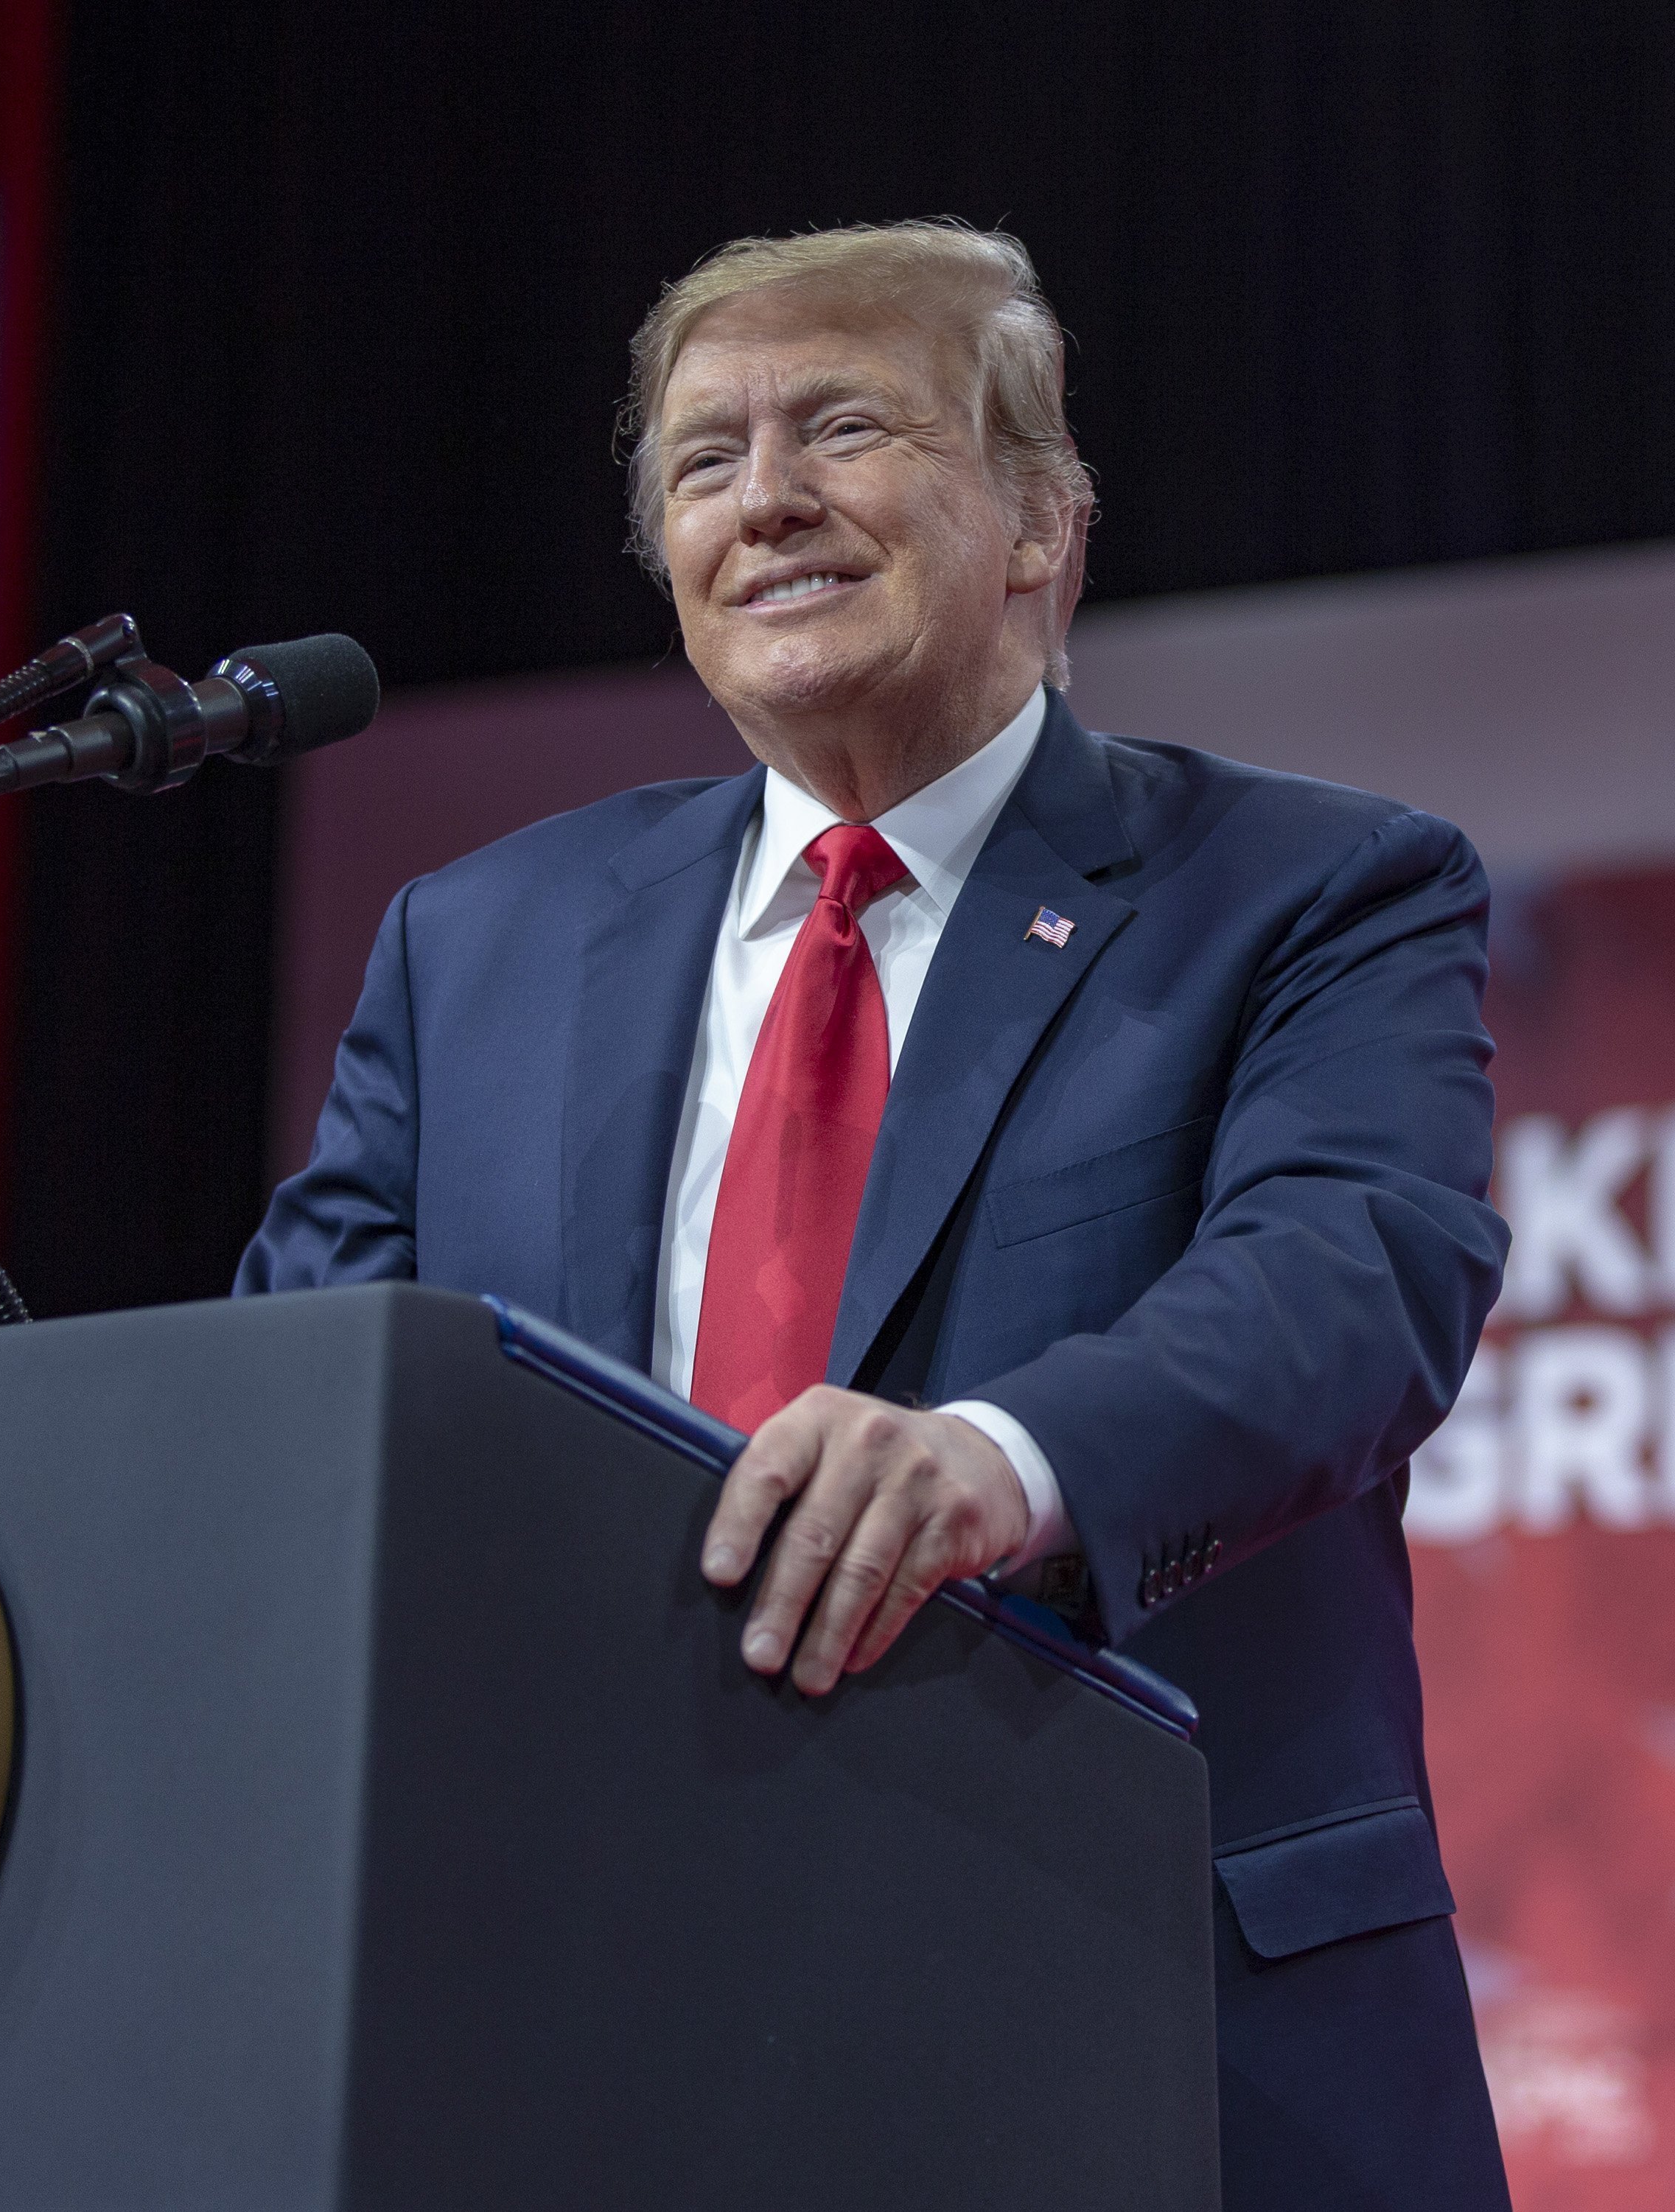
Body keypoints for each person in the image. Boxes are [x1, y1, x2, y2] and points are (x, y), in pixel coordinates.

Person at [239, 220, 1511, 2208]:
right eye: (700, 460)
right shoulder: (474, 945)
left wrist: (1000, 1460)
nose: (765, 500)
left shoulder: (1307, 890)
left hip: (1136, 2010)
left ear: (1038, 524)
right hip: (572, 2037)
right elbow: (300, 1403)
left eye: (841, 425)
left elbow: (1354, 1272)